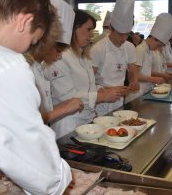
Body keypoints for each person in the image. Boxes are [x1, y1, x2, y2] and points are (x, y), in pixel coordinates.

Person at [0, 0, 71, 194]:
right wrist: (63, 176)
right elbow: (45, 177)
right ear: (24, 22)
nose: (26, 49)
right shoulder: (6, 64)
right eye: (32, 41)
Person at [47, 9, 125, 138]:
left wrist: (103, 89)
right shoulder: (60, 57)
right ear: (74, 29)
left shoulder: (83, 56)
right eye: (88, 30)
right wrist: (101, 97)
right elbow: (66, 97)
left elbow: (88, 86)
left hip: (87, 121)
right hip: (68, 124)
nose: (91, 35)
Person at [29, 0, 84, 124]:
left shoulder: (40, 67)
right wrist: (63, 110)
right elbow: (25, 123)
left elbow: (41, 112)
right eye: (58, 51)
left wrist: (63, 106)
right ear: (46, 43)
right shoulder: (26, 69)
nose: (59, 57)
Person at [90, 0, 138, 116]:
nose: (123, 39)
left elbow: (131, 71)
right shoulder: (98, 49)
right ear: (111, 28)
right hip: (100, 106)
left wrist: (133, 81)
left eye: (127, 34)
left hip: (119, 103)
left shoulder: (130, 47)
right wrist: (106, 90)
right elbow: (88, 82)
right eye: (120, 34)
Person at [125, 13, 172, 102]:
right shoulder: (140, 50)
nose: (157, 48)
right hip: (136, 95)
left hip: (146, 92)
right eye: (158, 45)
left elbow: (145, 71)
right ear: (154, 38)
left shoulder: (149, 50)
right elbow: (134, 75)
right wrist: (153, 79)